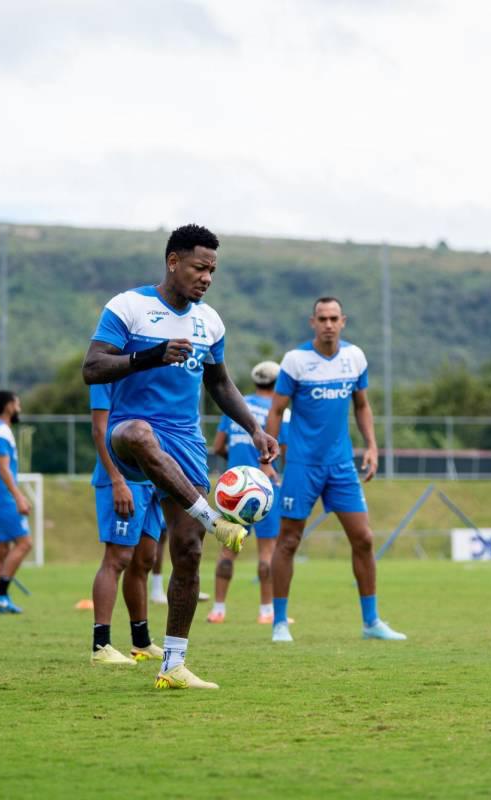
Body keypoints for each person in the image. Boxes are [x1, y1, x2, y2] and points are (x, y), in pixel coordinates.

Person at [82, 224, 279, 690]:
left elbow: (219, 383)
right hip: (130, 433)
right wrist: (150, 356)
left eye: (212, 270)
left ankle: (173, 664)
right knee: (139, 433)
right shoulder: (128, 306)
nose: (206, 277)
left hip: (185, 442)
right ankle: (213, 519)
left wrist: (255, 428)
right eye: (199, 267)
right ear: (173, 262)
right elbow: (92, 367)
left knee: (187, 552)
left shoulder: (210, 322)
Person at [265, 297, 406, 643]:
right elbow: (276, 410)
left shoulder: (355, 357)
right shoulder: (295, 361)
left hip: (341, 465)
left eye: (333, 318)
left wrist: (371, 446)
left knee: (364, 538)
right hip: (302, 464)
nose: (328, 324)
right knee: (288, 541)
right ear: (312, 322)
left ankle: (371, 622)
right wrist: (266, 459)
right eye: (322, 318)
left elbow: (362, 405)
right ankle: (280, 622)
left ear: (343, 321)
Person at [88, 381, 165, 665]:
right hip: (121, 480)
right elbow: (100, 430)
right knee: (117, 557)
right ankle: (101, 645)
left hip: (150, 479)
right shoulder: (104, 374)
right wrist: (117, 479)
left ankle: (141, 642)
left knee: (144, 560)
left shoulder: (145, 371)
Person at [207, 360, 284, 625]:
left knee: (228, 550)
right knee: (267, 552)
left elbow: (218, 446)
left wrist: (237, 469)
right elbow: (283, 448)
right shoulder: (279, 410)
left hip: (234, 491)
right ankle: (266, 612)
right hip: (265, 488)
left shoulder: (235, 406)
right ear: (278, 382)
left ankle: (218, 610)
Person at [0, 390, 33, 615]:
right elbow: (3, 468)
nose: (19, 408)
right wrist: (18, 496)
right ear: (9, 406)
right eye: (17, 404)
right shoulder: (1, 431)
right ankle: (0, 594)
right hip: (3, 498)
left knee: (0, 550)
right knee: (24, 543)